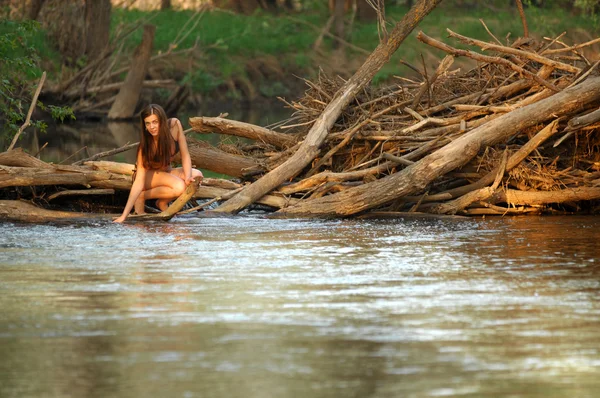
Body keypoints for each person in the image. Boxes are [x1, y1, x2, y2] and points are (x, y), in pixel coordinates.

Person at [113, 104, 203, 223]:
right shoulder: (145, 147)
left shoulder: (174, 126)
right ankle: (142, 196)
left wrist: (187, 177)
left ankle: (162, 202)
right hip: (147, 178)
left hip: (166, 172)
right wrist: (124, 216)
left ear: (162, 120)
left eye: (155, 122)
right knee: (179, 187)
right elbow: (139, 180)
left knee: (197, 175)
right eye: (148, 123)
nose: (152, 127)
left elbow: (185, 155)